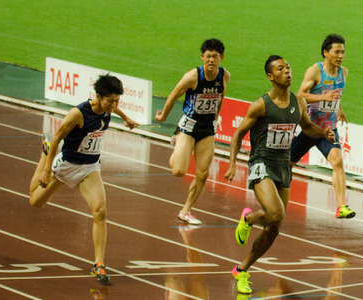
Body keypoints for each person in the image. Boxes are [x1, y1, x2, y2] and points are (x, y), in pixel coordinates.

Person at [225, 55, 335, 294]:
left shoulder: (299, 103)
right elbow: (238, 133)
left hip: (283, 166)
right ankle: (251, 219)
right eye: (280, 69)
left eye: (288, 67)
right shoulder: (261, 105)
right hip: (262, 164)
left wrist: (323, 133)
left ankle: (242, 268)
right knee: (275, 214)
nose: (287, 71)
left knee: (275, 226)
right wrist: (232, 163)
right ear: (270, 76)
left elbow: (306, 127)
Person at [29, 74, 138, 284]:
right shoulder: (77, 114)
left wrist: (125, 118)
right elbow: (57, 137)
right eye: (110, 101)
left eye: (117, 101)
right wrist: (46, 170)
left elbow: (114, 107)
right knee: (35, 201)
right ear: (97, 97)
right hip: (66, 166)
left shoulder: (109, 108)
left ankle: (99, 264)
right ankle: (44, 155)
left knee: (100, 211)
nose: (114, 106)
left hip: (89, 168)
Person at [155, 38, 231, 225]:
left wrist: (216, 117)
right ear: (202, 57)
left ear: (221, 57)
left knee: (203, 174)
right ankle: (177, 142)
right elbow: (174, 94)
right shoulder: (193, 76)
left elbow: (220, 97)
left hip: (207, 129)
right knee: (179, 171)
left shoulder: (224, 76)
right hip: (189, 126)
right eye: (208, 57)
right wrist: (163, 116)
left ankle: (186, 211)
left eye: (215, 57)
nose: (211, 60)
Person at [290, 34, 356, 219]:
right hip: (309, 128)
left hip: (328, 130)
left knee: (337, 161)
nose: (341, 55)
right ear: (326, 53)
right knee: (287, 165)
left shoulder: (343, 72)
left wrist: (339, 108)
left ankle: (341, 206)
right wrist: (322, 98)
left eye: (343, 52)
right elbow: (300, 94)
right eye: (337, 52)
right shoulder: (315, 71)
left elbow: (336, 93)